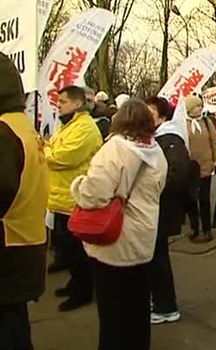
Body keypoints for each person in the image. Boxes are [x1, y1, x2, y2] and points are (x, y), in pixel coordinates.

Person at [70, 98, 168, 350]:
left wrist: (78, 185)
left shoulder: (114, 149)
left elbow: (93, 195)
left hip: (115, 243)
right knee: (138, 310)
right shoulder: (156, 151)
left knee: (113, 315)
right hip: (144, 240)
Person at [0, 52, 49, 350]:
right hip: (27, 242)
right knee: (15, 322)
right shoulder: (22, 126)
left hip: (7, 247)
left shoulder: (3, 132)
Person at [45, 85, 102, 312]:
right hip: (60, 198)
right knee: (67, 251)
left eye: (63, 101)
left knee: (78, 252)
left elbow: (61, 156)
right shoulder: (67, 127)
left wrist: (45, 151)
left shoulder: (85, 128)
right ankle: (75, 283)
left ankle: (83, 291)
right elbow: (51, 146)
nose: (58, 105)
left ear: (77, 103)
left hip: (74, 199)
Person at [146, 97, 189, 324]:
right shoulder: (160, 137)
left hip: (163, 207)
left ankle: (166, 306)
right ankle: (161, 301)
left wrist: (154, 189)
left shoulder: (170, 139)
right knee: (155, 256)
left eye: (150, 112)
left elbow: (177, 174)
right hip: (157, 206)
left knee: (158, 258)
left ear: (162, 116)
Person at [184, 95, 216, 242]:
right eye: (196, 106)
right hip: (190, 168)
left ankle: (207, 229)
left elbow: (215, 142)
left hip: (206, 165)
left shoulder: (206, 122)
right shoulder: (183, 124)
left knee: (204, 199)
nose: (199, 108)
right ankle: (194, 228)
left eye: (200, 106)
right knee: (191, 200)